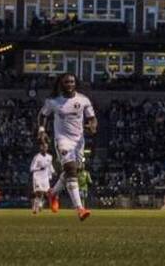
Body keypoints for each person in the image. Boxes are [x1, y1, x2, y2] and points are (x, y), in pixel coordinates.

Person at [39, 73, 96, 220]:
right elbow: (43, 115)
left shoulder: (83, 100)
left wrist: (92, 126)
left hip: (79, 141)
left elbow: (92, 118)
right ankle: (80, 209)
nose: (70, 84)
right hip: (62, 140)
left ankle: (52, 193)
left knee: (74, 170)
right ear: (61, 84)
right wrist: (41, 130)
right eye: (66, 82)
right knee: (71, 170)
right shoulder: (53, 101)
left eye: (72, 81)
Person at [30, 141, 55, 215]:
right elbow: (31, 168)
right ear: (40, 148)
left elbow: (50, 166)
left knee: (46, 193)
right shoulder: (37, 157)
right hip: (37, 177)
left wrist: (53, 172)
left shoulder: (50, 157)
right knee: (39, 193)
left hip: (45, 178)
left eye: (46, 147)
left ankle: (40, 203)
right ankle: (35, 209)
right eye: (43, 147)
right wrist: (39, 168)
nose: (44, 148)